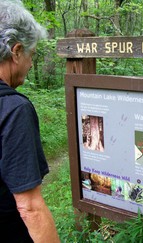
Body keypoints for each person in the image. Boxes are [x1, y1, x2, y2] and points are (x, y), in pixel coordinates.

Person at [0, 1, 60, 242]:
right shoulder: (14, 110)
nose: (32, 63)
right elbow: (30, 207)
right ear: (16, 52)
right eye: (31, 54)